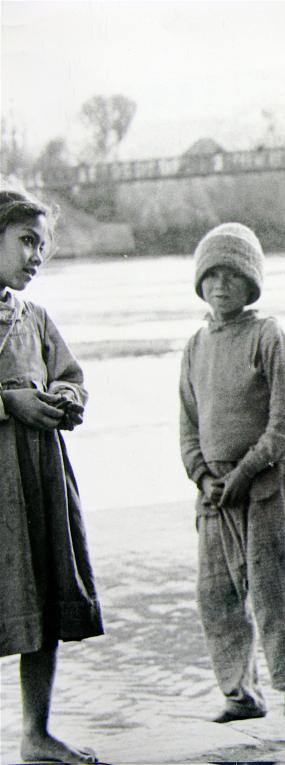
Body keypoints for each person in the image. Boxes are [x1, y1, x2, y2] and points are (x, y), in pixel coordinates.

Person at [179, 222, 285, 722]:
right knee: (215, 593)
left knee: (269, 588)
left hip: (263, 485)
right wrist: (203, 476)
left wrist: (248, 470)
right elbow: (188, 424)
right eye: (212, 275)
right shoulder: (195, 346)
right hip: (214, 494)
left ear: (251, 282)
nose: (221, 285)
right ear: (200, 283)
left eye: (232, 275)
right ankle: (240, 694)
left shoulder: (267, 335)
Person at [0, 188, 102, 764]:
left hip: (37, 482)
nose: (36, 255)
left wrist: (66, 398)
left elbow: (70, 375)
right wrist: (6, 403)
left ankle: (35, 734)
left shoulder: (35, 318)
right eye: (25, 241)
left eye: (42, 245)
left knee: (38, 599)